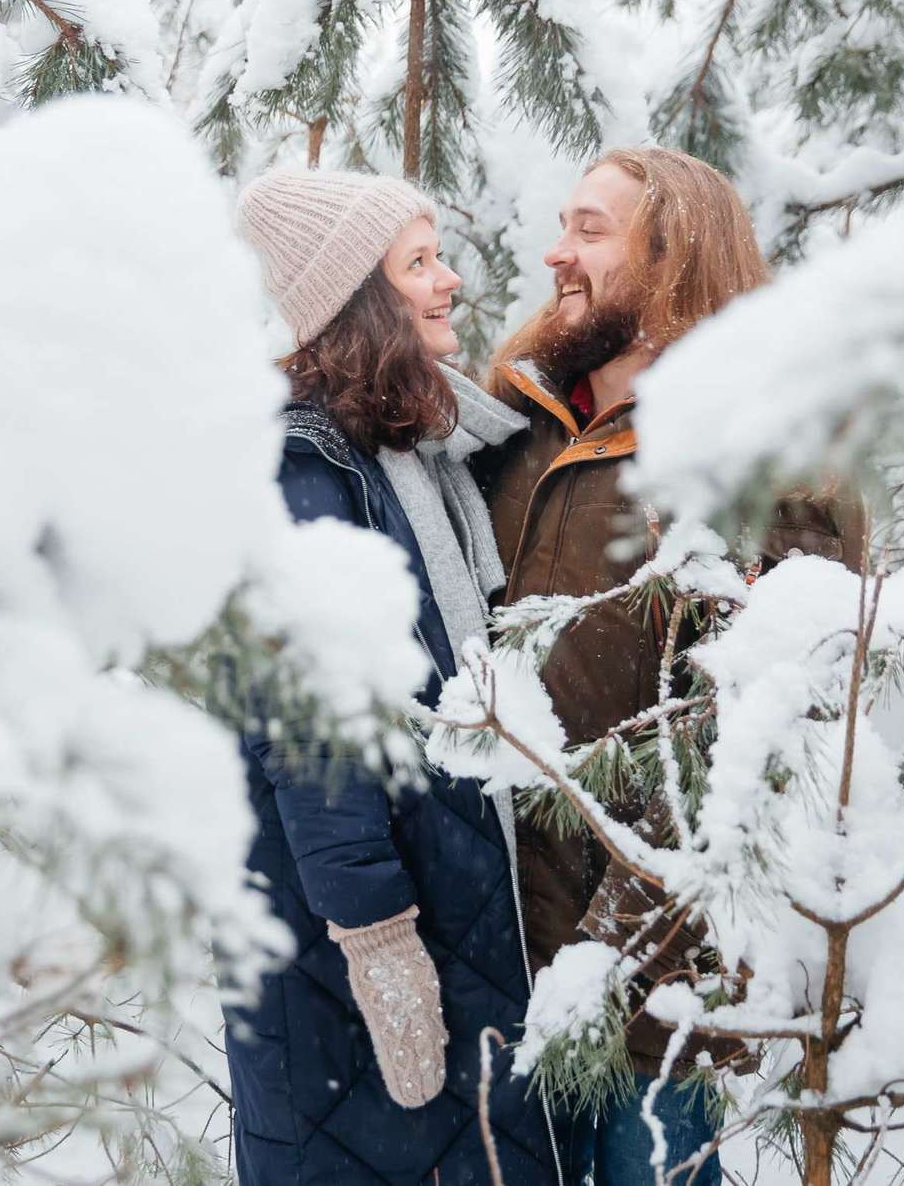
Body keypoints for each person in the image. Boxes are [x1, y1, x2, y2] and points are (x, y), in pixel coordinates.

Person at [476, 147, 867, 1186]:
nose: (555, 252)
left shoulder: (767, 459)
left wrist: (607, 959)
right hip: (490, 951)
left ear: (673, 253)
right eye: (560, 223)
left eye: (590, 229)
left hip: (650, 993)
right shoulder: (508, 425)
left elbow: (750, 733)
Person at [223, 167, 568, 1185]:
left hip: (451, 904)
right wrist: (376, 944)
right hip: (355, 957)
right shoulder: (303, 473)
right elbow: (311, 736)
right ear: (353, 300)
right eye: (417, 263)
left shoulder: (411, 455)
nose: (449, 280)